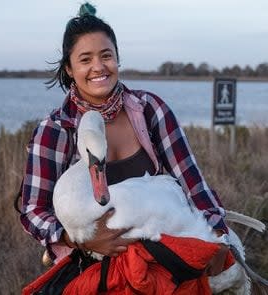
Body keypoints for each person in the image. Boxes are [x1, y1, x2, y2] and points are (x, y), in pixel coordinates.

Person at [20, 4, 229, 285]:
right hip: (91, 269)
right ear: (69, 68)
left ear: (118, 59)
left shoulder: (150, 110)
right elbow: (34, 210)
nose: (98, 67)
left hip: (163, 265)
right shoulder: (54, 131)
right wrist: (81, 239)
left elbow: (191, 181)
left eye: (106, 56)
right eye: (85, 59)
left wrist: (219, 236)